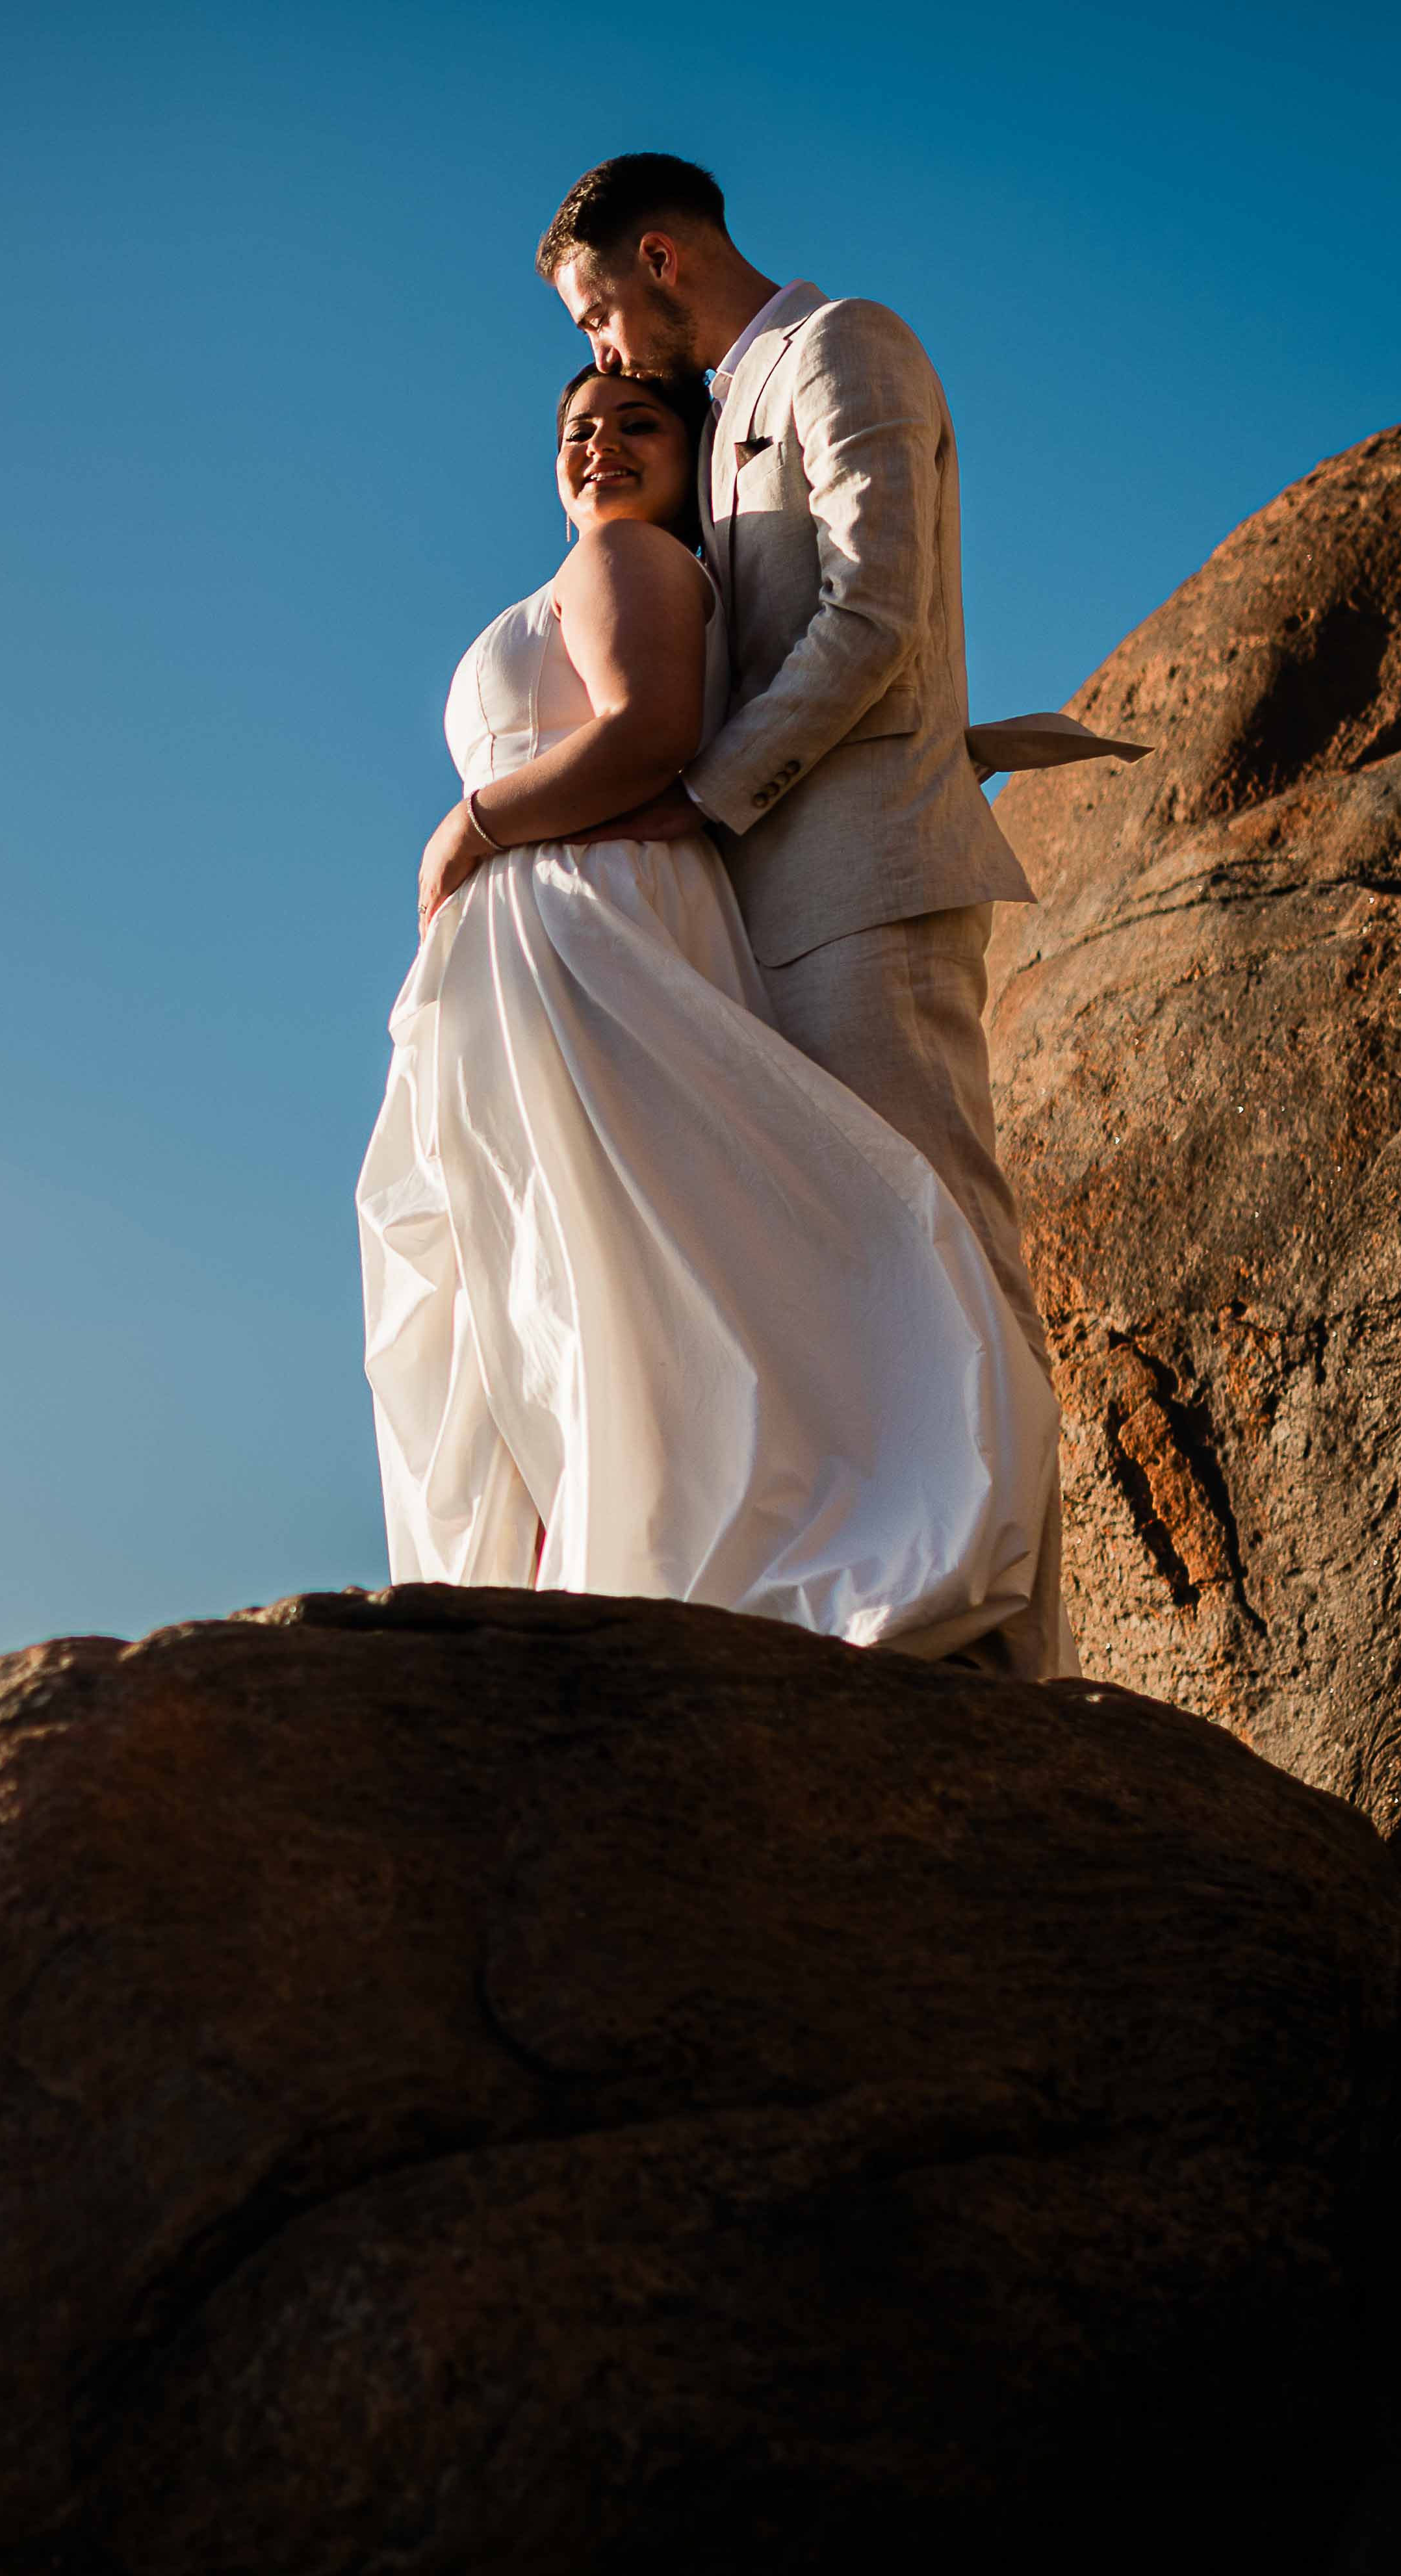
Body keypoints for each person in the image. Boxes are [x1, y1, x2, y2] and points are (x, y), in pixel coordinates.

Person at [357, 368, 1059, 1664]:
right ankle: (601, 1550)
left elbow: (650, 728)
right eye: (576, 428)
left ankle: (677, 1549)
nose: (602, 447)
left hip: (591, 938)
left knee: (621, 1251)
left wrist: (474, 821)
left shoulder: (634, 559)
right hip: (544, 942)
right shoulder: (593, 566)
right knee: (561, 1267)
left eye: (638, 425)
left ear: (689, 458)